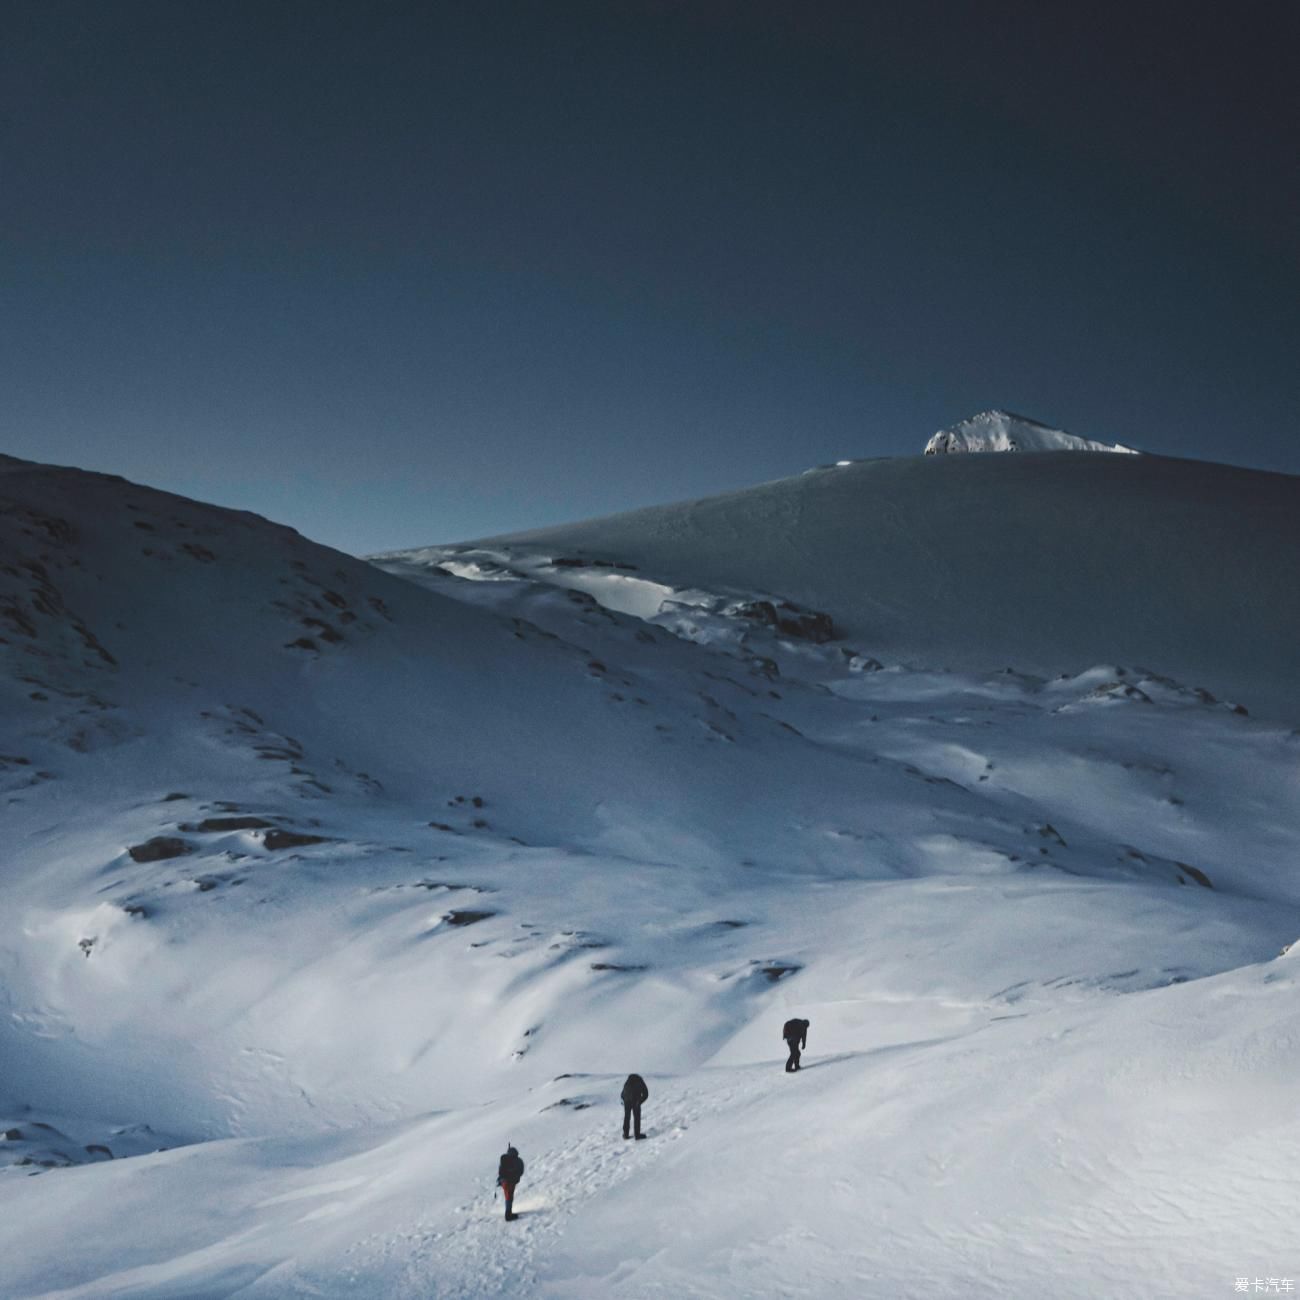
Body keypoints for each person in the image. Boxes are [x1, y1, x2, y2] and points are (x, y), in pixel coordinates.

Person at [497, 1144, 524, 1221]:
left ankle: (509, 1213)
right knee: (509, 1197)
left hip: (504, 1182)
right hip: (511, 1182)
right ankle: (508, 1215)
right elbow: (521, 1171)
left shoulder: (504, 1159)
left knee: (508, 1196)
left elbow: (500, 1171)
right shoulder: (518, 1161)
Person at [621, 1073, 649, 1140]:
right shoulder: (640, 1081)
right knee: (637, 1118)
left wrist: (624, 1100)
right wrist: (640, 1101)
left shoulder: (627, 1082)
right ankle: (637, 1135)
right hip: (636, 1101)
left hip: (627, 1101)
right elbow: (646, 1094)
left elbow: (622, 1094)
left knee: (627, 1117)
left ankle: (625, 1134)